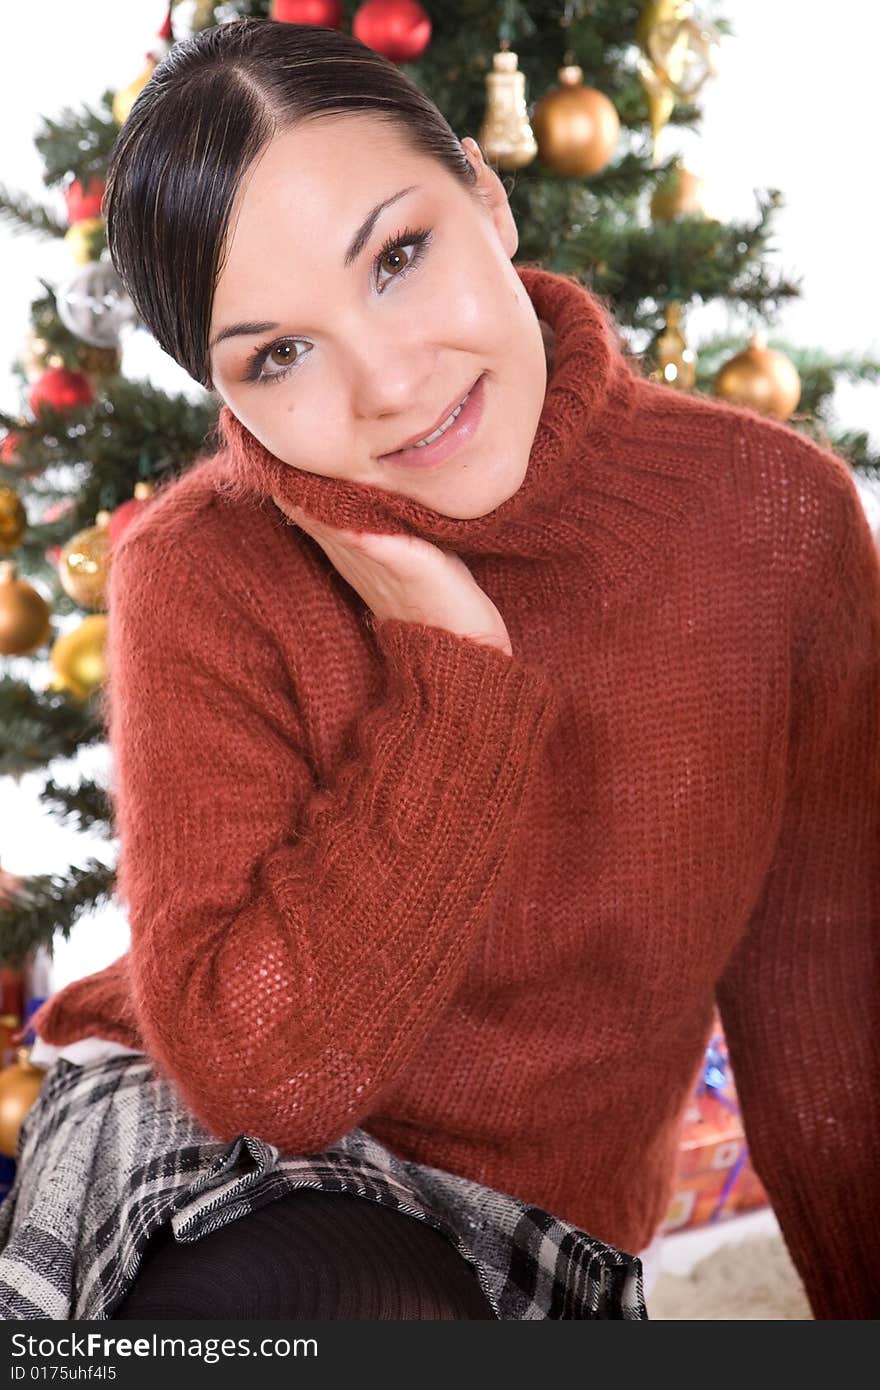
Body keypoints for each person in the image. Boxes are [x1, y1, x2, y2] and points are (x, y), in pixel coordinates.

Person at [2, 15, 877, 1321]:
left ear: (489, 192)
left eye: (399, 257)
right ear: (223, 398)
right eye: (279, 354)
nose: (390, 383)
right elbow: (269, 1081)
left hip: (534, 1229)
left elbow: (834, 1020)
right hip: (209, 1152)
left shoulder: (773, 520)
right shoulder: (198, 571)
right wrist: (452, 679)